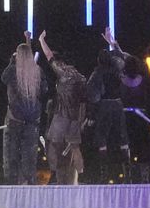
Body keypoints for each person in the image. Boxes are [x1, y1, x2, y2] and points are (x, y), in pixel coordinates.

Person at [40, 32, 89, 186]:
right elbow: (84, 99)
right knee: (74, 147)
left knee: (52, 144)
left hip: (62, 115)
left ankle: (54, 174)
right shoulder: (80, 77)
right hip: (75, 116)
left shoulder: (62, 72)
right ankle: (82, 175)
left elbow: (49, 56)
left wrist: (41, 40)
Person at [87, 31, 131, 185]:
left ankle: (103, 173)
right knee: (122, 137)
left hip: (105, 105)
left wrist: (91, 115)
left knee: (101, 137)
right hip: (118, 104)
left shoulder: (97, 73)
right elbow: (124, 57)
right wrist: (113, 43)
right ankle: (127, 173)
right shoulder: (118, 67)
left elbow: (93, 95)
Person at [0, 38, 46, 185]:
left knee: (11, 155)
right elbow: (44, 89)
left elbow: (3, 78)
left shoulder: (13, 70)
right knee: (29, 157)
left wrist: (12, 61)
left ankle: (11, 186)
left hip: (15, 118)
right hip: (32, 119)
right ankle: (30, 184)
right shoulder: (37, 71)